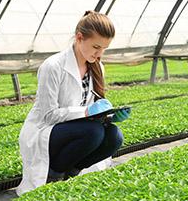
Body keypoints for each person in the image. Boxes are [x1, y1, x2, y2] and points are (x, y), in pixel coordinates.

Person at [16, 11, 130, 196]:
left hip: (75, 130)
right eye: (96, 46)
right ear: (79, 38)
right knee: (93, 132)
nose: (99, 53)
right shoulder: (53, 66)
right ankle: (53, 174)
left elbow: (93, 108)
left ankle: (71, 173)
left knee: (114, 136)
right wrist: (86, 112)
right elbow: (48, 115)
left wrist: (109, 116)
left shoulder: (97, 67)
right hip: (46, 131)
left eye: (104, 48)